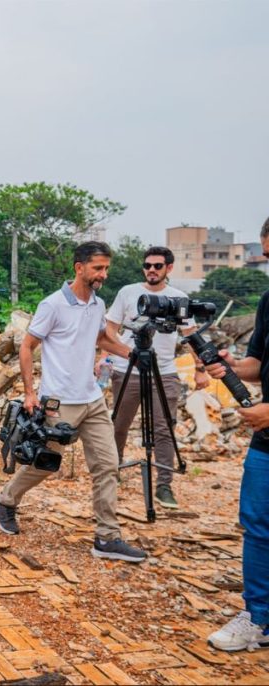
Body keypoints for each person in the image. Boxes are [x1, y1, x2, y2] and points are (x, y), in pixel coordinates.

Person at [0, 241, 148, 564]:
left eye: (106, 268)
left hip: (92, 399)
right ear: (79, 267)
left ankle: (107, 537)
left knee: (107, 465)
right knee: (46, 462)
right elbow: (27, 346)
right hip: (59, 402)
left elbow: (101, 338)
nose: (103, 274)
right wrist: (31, 393)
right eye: (97, 268)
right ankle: (6, 500)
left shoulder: (97, 304)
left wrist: (131, 353)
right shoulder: (53, 305)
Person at [205, 216, 269, 652]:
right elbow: (258, 365)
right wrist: (228, 366)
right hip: (266, 445)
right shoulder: (268, 301)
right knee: (258, 527)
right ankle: (258, 617)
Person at [105, 246, 210, 509]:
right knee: (119, 425)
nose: (151, 270)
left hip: (164, 372)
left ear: (169, 269)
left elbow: (191, 335)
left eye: (158, 266)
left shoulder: (178, 297)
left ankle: (164, 484)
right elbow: (110, 328)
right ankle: (111, 473)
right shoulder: (127, 292)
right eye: (147, 265)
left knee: (164, 429)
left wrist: (201, 368)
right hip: (127, 369)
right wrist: (113, 355)